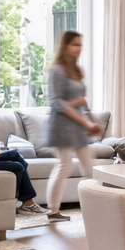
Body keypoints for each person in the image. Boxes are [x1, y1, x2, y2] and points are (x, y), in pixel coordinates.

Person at [44, 30, 102, 221]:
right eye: (75, 44)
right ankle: (53, 210)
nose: (79, 48)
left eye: (80, 44)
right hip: (62, 125)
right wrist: (82, 118)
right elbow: (56, 102)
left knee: (89, 167)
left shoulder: (77, 70)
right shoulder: (57, 70)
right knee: (64, 166)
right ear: (65, 46)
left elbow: (82, 101)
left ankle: (94, 207)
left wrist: (92, 121)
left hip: (78, 125)